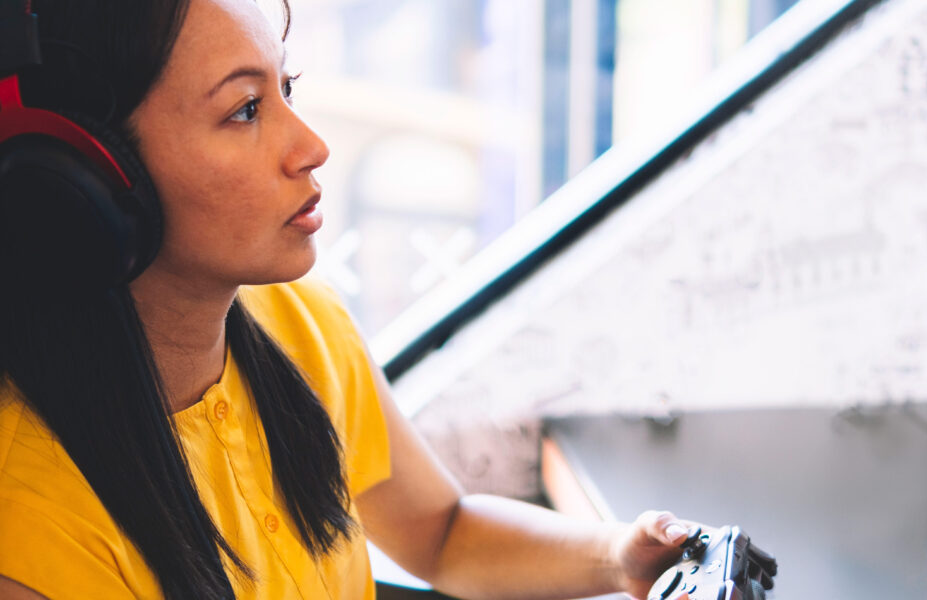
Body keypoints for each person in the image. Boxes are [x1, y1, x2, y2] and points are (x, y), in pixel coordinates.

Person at [0, 0, 693, 598]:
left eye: (286, 90)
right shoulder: (27, 521)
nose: (312, 146)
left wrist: (616, 557)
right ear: (86, 181)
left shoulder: (302, 323)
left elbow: (443, 533)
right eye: (244, 110)